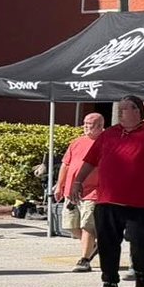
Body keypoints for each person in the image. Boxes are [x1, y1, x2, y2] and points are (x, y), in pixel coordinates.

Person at [68, 97, 144, 287]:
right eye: (119, 109)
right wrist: (78, 181)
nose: (120, 113)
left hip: (140, 202)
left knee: (139, 241)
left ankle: (140, 273)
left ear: (138, 112)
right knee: (107, 243)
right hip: (107, 200)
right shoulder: (108, 135)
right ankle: (109, 284)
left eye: (125, 109)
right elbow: (90, 160)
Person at [54, 111, 105, 272]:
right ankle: (94, 245)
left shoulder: (106, 143)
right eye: (84, 124)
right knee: (69, 225)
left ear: (100, 126)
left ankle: (85, 259)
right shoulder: (76, 142)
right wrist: (59, 185)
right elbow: (65, 164)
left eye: (89, 125)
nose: (85, 128)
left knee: (87, 225)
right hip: (71, 191)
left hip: (93, 191)